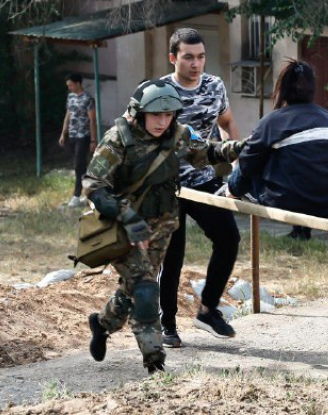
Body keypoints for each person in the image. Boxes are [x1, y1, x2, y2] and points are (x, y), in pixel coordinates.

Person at [82, 80, 244, 374]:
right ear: (140, 112)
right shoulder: (119, 138)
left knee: (133, 288)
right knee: (145, 291)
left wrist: (240, 148)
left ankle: (102, 324)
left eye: (168, 115)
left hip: (160, 229)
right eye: (155, 114)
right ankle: (154, 360)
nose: (161, 121)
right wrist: (126, 216)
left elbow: (206, 153)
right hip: (125, 230)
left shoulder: (177, 134)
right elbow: (93, 185)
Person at [158, 28, 241, 348]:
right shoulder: (161, 91)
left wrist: (236, 166)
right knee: (172, 256)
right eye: (188, 57)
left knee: (228, 238)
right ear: (173, 58)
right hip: (168, 187)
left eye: (201, 56)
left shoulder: (214, 86)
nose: (196, 63)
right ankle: (168, 324)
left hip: (204, 180)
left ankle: (208, 311)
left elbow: (228, 123)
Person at [227, 60, 328, 238]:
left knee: (253, 158)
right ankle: (301, 232)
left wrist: (234, 183)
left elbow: (247, 165)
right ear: (312, 89)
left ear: (282, 89)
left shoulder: (272, 122)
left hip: (289, 202)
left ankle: (230, 190)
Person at [58, 72, 97, 207]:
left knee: (78, 165)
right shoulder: (70, 97)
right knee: (80, 166)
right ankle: (90, 192)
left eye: (71, 85)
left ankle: (76, 194)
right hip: (72, 135)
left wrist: (93, 139)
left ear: (78, 83)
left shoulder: (88, 98)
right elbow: (68, 116)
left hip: (83, 135)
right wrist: (63, 133)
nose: (70, 88)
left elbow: (92, 120)